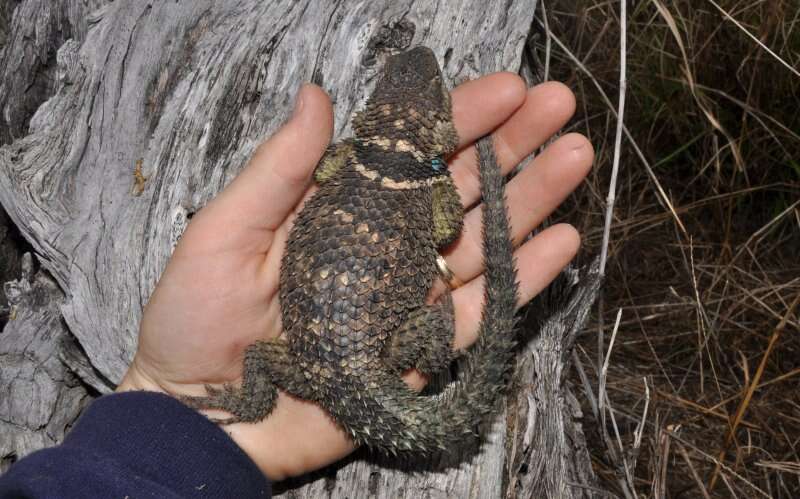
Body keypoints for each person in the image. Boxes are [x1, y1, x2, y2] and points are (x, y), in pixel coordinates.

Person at [0, 75, 593, 498]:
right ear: (439, 127)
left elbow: (326, 169)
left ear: (372, 114)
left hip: (316, 365)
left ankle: (252, 403)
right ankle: (427, 351)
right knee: (446, 324)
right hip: (371, 358)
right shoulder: (433, 195)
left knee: (260, 357)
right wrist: (440, 189)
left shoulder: (345, 161)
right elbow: (445, 232)